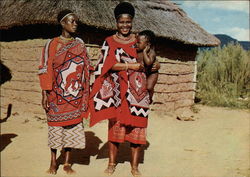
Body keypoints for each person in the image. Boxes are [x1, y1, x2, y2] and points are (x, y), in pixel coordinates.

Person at [89, 2, 159, 177]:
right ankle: (112, 164)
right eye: (121, 22)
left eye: (128, 22)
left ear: (132, 22)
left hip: (138, 93)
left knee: (138, 128)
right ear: (116, 22)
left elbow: (150, 58)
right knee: (115, 129)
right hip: (117, 93)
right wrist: (130, 65)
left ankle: (134, 167)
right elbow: (104, 65)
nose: (125, 25)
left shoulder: (139, 40)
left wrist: (155, 65)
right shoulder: (109, 42)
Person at [38, 9, 90, 175]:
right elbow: (45, 68)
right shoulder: (51, 44)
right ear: (62, 23)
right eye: (71, 21)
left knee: (71, 128)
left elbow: (86, 67)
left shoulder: (80, 44)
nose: (75, 24)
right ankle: (53, 162)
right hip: (56, 95)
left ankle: (67, 163)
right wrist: (45, 93)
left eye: (76, 21)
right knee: (54, 128)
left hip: (75, 95)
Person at [136, 30, 158, 104]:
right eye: (136, 42)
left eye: (139, 43)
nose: (137, 44)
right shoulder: (138, 52)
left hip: (152, 73)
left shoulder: (151, 52)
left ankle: (151, 97)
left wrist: (145, 52)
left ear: (147, 44)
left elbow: (148, 63)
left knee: (149, 87)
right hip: (145, 73)